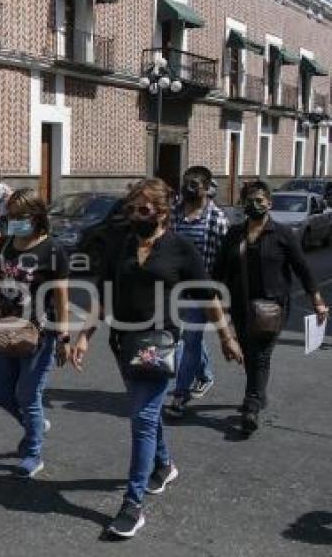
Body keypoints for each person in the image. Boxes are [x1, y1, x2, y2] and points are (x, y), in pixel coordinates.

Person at [71, 178, 243, 538]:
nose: (135, 215)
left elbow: (208, 295)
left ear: (163, 211)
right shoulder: (121, 244)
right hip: (122, 343)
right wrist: (85, 335)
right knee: (143, 412)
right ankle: (163, 465)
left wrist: (226, 336)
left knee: (143, 419)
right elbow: (103, 293)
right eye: (131, 209)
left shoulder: (180, 248)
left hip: (159, 342)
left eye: (143, 209)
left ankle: (133, 505)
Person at [213, 181, 328, 435]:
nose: (254, 205)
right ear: (243, 204)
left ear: (269, 204)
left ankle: (251, 405)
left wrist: (317, 300)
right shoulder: (234, 235)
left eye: (260, 201)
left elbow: (303, 269)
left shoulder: (283, 234)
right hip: (241, 307)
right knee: (248, 353)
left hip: (272, 308)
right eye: (249, 201)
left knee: (261, 355)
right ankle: (258, 393)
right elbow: (219, 272)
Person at [0, 189, 72, 478]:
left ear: (37, 216)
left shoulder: (52, 250)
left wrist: (63, 338)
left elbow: (61, 298)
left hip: (39, 334)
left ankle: (33, 452)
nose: (14, 221)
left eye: (20, 216)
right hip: (6, 330)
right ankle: (36, 425)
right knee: (1, 393)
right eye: (11, 215)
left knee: (29, 395)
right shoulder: (6, 245)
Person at [166, 166, 230, 417]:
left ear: (205, 187)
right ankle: (204, 374)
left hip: (202, 292)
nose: (188, 188)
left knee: (189, 341)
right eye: (185, 183)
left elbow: (224, 260)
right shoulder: (174, 214)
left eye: (193, 184)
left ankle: (180, 394)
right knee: (188, 339)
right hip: (174, 290)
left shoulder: (217, 219)